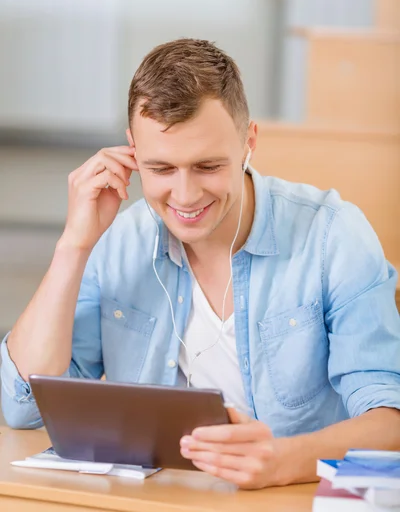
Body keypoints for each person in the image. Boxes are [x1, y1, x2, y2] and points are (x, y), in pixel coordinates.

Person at [1, 39, 400, 490]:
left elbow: (389, 422)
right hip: (162, 499)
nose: (186, 196)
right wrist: (73, 246)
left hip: (292, 497)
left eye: (207, 166)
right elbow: (24, 406)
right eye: (162, 169)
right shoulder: (117, 240)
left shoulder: (333, 236)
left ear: (249, 140)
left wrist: (285, 460)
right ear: (132, 150)